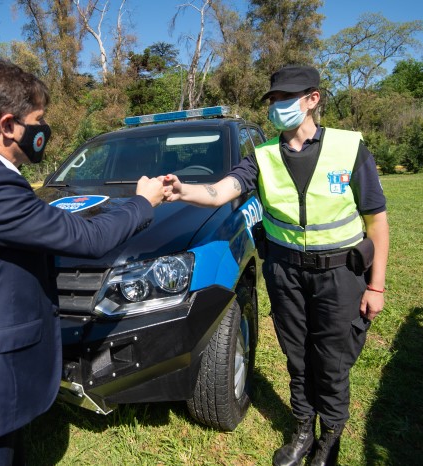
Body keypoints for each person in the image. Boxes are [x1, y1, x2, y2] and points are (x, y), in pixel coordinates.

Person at [0, 59, 164, 465]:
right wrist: (141, 202)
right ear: (9, 124)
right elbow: (90, 239)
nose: (44, 129)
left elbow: (40, 228)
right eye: (38, 119)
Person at [163, 65, 389, 466]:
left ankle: (329, 441)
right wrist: (183, 190)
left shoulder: (349, 149)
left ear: (312, 99)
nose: (278, 107)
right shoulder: (262, 156)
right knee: (298, 356)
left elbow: (377, 221)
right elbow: (220, 191)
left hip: (341, 274)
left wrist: (376, 287)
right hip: (286, 273)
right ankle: (303, 428)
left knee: (332, 361)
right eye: (274, 100)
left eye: (286, 98)